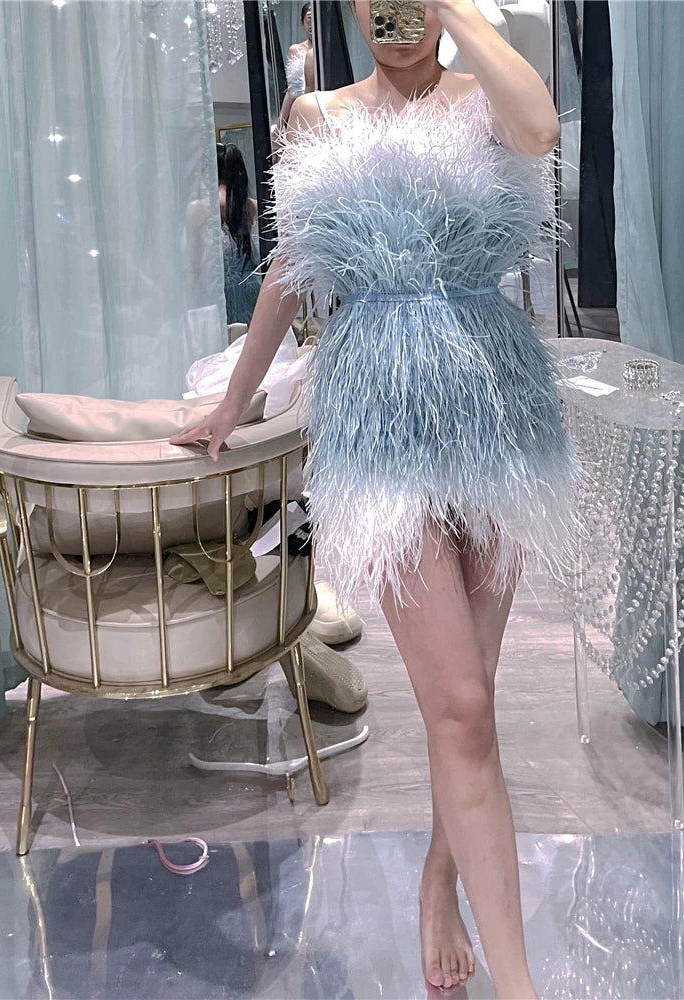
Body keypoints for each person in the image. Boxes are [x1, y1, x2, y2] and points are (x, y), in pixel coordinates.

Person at [171, 3, 575, 997]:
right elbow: (291, 266)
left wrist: (460, 15)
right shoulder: (319, 115)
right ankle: (520, 985)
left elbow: (541, 129)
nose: (396, 19)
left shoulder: (482, 100)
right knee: (460, 704)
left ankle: (440, 880)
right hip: (380, 413)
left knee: (471, 704)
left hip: (498, 402)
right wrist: (234, 399)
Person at [217, 142, 261, 326]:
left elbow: (194, 267)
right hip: (254, 295)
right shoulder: (254, 207)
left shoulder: (202, 208)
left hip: (221, 296)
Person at [274, 3, 315, 140]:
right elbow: (292, 90)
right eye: (308, 20)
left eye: (314, 19)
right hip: (300, 107)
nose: (311, 25)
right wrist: (280, 124)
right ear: (302, 22)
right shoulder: (295, 50)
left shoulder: (327, 50)